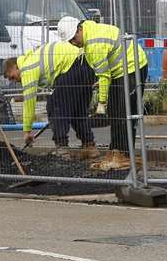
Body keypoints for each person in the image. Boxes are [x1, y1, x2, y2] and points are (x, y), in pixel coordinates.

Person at [56, 16, 147, 157]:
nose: (73, 43)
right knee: (116, 113)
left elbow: (104, 75)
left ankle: (123, 154)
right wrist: (103, 81)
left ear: (80, 29)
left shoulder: (93, 44)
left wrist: (102, 103)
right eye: (70, 41)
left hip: (133, 67)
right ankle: (116, 150)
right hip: (119, 71)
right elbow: (105, 70)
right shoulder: (89, 31)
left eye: (74, 38)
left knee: (124, 113)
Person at [2, 39, 97, 154]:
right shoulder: (33, 58)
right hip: (86, 66)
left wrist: (27, 131)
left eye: (12, 77)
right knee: (77, 110)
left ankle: (62, 148)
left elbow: (29, 101)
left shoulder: (27, 68)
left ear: (16, 66)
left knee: (55, 106)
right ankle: (89, 146)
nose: (15, 81)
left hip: (73, 66)